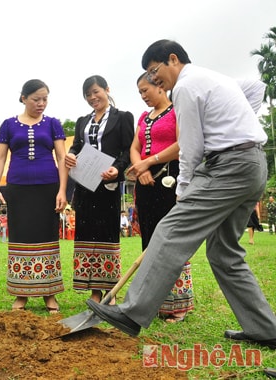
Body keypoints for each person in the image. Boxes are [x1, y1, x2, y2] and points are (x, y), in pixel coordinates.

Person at [87, 40, 276, 351]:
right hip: (252, 165)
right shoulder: (214, 78)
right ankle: (265, 329)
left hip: (228, 168)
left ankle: (132, 313)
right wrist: (235, 126)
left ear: (172, 59)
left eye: (153, 71)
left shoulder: (186, 87)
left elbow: (191, 146)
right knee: (224, 253)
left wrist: (183, 188)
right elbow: (255, 88)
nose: (152, 79)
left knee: (170, 231)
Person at [0, 79, 67, 313]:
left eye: (45, 99)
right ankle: (21, 294)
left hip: (48, 188)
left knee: (47, 238)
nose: (41, 103)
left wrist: (63, 190)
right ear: (23, 98)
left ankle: (49, 293)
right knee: (20, 238)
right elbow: (0, 158)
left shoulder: (53, 124)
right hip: (18, 188)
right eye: (36, 99)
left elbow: (63, 158)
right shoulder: (8, 125)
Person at [127, 72, 194, 323]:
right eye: (140, 93)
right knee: (150, 240)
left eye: (146, 90)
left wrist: (147, 163)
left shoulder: (178, 111)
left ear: (160, 87)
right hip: (146, 183)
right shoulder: (144, 117)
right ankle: (153, 302)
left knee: (171, 240)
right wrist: (141, 168)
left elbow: (182, 145)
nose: (143, 96)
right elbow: (134, 147)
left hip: (171, 180)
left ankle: (178, 303)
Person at [64, 75, 134, 304]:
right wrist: (72, 156)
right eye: (88, 94)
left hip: (108, 185)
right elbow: (76, 147)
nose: (93, 97)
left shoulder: (122, 118)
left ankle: (110, 291)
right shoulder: (83, 121)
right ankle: (93, 290)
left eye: (96, 92)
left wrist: (117, 168)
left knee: (107, 234)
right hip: (85, 186)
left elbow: (126, 149)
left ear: (107, 89)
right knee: (86, 234)